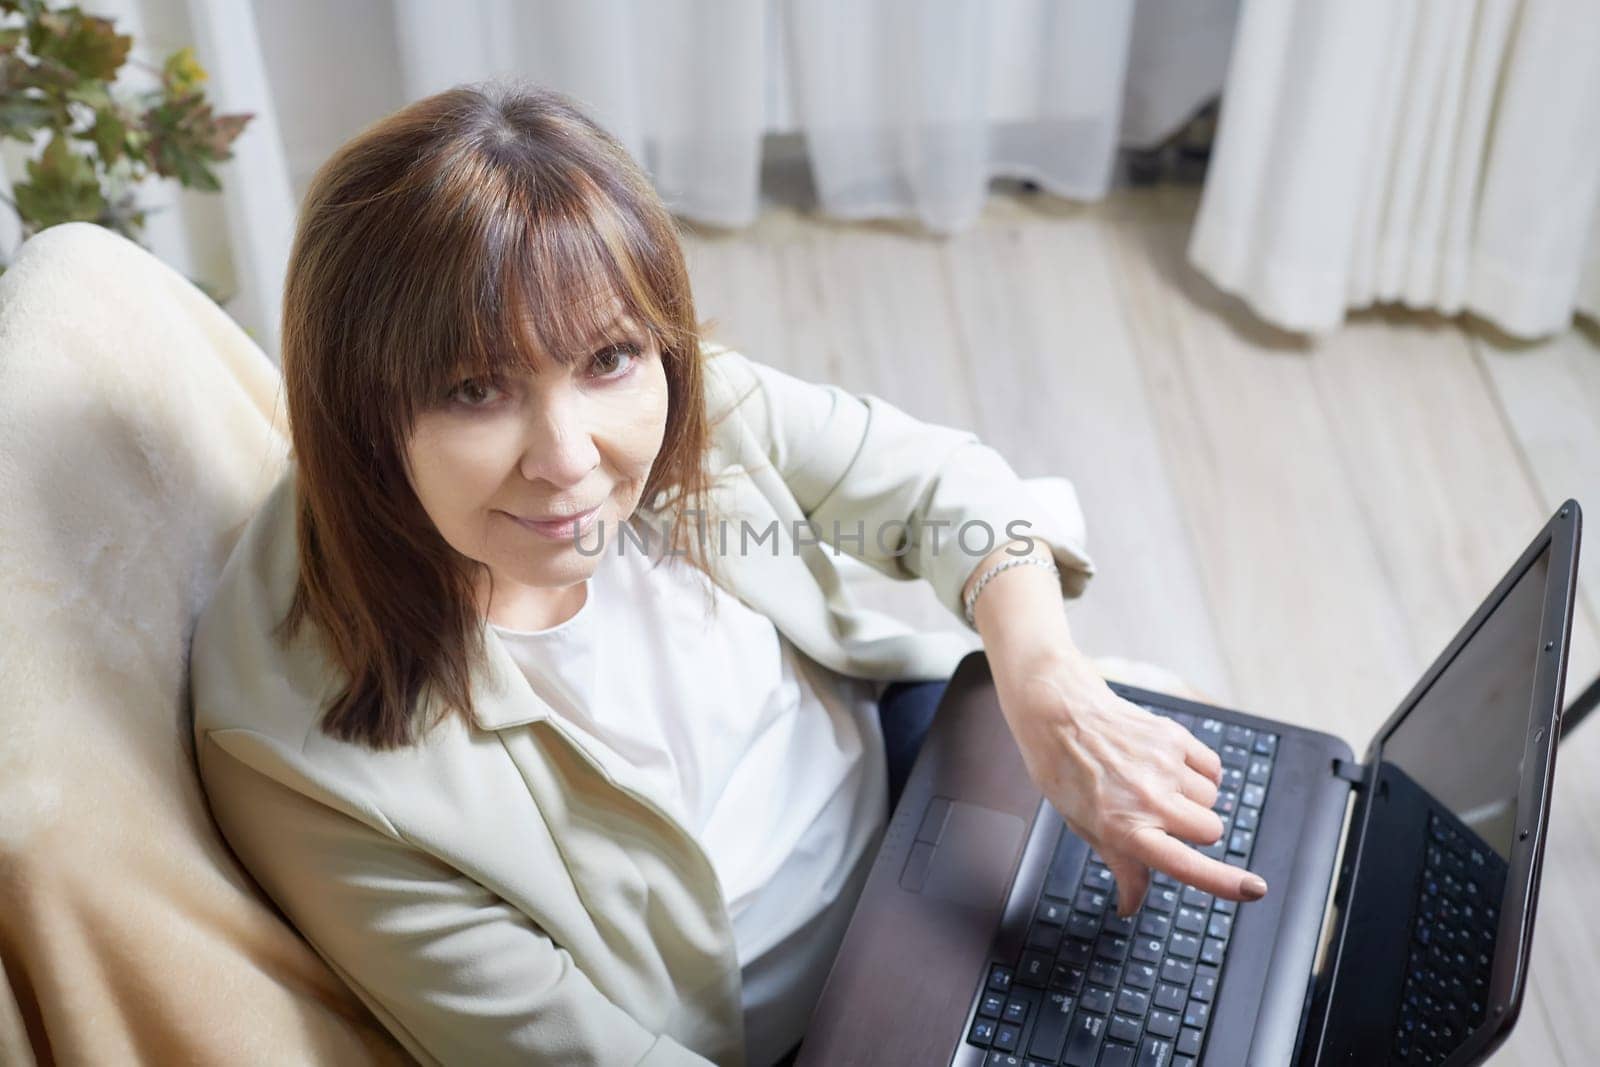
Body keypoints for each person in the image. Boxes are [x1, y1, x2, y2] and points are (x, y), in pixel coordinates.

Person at [188, 81, 1267, 1067]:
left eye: (607, 359)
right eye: (477, 388)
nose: (570, 458)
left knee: (1268, 937)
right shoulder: (298, 749)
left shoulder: (669, 398)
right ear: (360, 412)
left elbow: (946, 487)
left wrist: (1046, 687)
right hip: (798, 1027)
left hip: (911, 771)